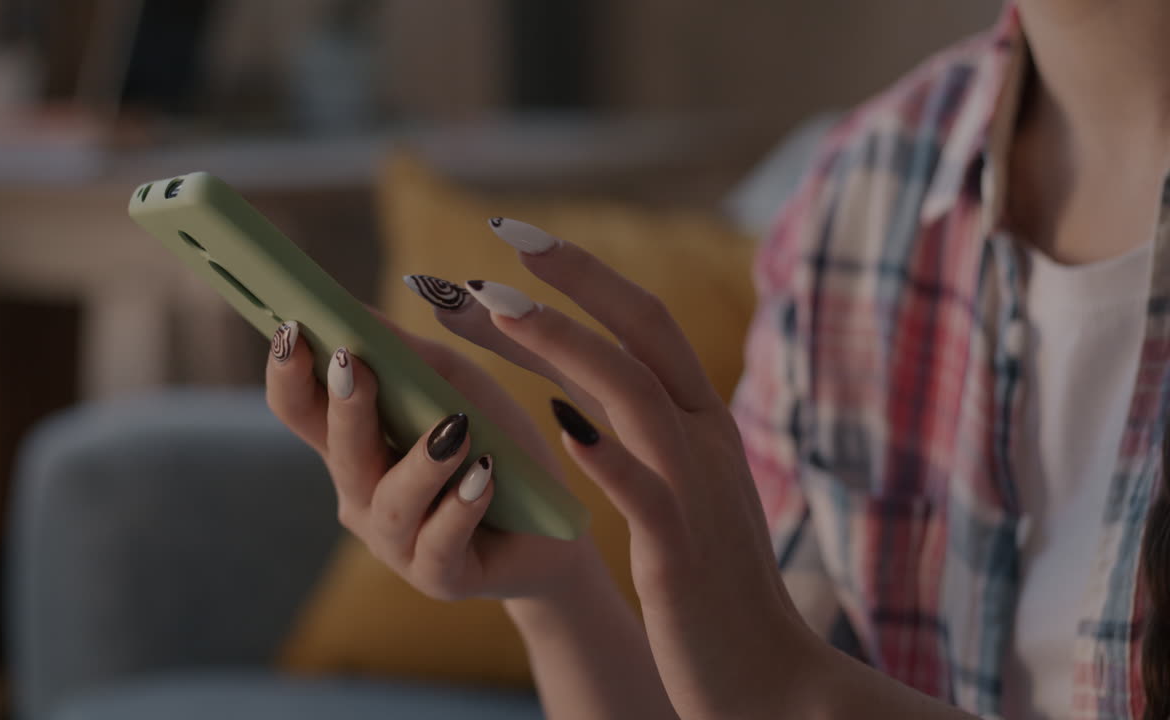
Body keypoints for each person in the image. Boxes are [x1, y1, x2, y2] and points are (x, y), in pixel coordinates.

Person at [264, 1, 1170, 718]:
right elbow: (744, 698)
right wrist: (556, 587)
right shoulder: (862, 194)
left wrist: (796, 686)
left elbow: (778, 688)